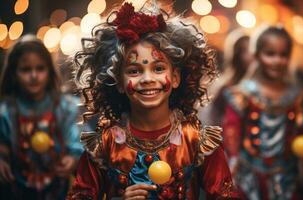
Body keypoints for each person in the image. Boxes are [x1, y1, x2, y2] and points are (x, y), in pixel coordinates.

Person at [67, 2, 241, 200]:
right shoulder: (105, 144)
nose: (147, 79)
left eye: (158, 68)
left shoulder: (196, 140)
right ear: (119, 82)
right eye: (134, 71)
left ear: (175, 77)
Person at [222, 26, 303, 199]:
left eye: (283, 55)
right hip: (249, 175)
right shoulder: (243, 94)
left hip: (289, 174)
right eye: (270, 54)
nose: (277, 61)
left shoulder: (298, 96)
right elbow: (231, 128)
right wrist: (233, 159)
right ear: (256, 54)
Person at [0, 35, 83, 199]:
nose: (34, 75)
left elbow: (77, 139)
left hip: (60, 190)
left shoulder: (65, 107)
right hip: (17, 191)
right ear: (13, 73)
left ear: (49, 70)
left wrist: (73, 157)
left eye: (40, 68)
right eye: (25, 69)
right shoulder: (6, 112)